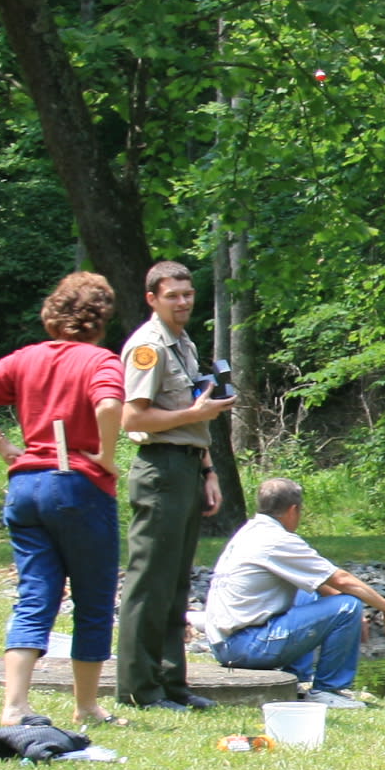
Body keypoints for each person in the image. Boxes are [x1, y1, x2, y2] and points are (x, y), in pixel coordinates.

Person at [0, 272, 128, 728]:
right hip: (76, 485)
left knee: (35, 596)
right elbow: (109, 406)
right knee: (92, 597)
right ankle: (86, 704)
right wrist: (106, 457)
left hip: (25, 487)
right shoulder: (99, 360)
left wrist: (4, 448)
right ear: (100, 318)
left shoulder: (26, 358)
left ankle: (14, 706)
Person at [113, 260, 231, 711]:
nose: (182, 302)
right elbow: (133, 418)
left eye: (187, 294)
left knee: (177, 583)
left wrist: (208, 471)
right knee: (150, 584)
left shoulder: (183, 342)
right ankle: (138, 689)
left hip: (185, 465)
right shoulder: (148, 347)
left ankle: (170, 683)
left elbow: (190, 409)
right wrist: (194, 417)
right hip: (159, 469)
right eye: (172, 296)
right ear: (152, 299)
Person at [203, 478, 385, 702]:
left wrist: (358, 617)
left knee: (306, 591)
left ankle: (296, 679)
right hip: (245, 646)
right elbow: (342, 579)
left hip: (226, 643)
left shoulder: (248, 532)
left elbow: (320, 583)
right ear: (293, 509)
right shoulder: (277, 540)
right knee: (349, 606)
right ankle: (327, 691)